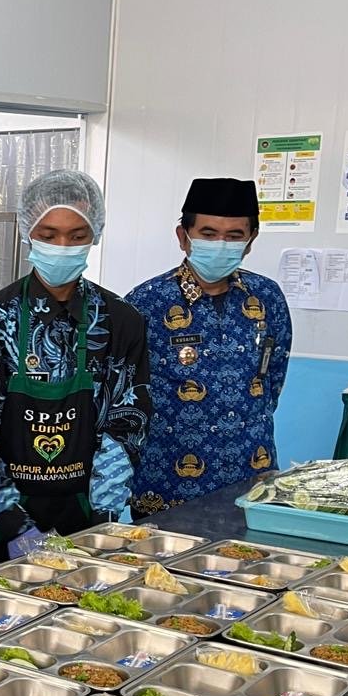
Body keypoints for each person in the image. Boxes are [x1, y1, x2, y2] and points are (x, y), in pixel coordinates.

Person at [0, 170, 151, 571]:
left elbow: (128, 419)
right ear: (28, 232)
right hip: (4, 523)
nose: (62, 247)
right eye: (48, 235)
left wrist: (102, 517)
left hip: (88, 512)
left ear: (95, 234)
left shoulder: (121, 320)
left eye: (77, 236)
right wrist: (14, 525)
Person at [127, 178, 291, 516]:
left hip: (252, 473)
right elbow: (127, 393)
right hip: (167, 480)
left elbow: (272, 379)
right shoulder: (146, 302)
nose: (221, 244)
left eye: (234, 236)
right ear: (182, 236)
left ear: (250, 241)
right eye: (208, 233)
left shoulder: (267, 297)